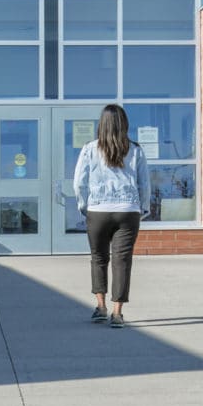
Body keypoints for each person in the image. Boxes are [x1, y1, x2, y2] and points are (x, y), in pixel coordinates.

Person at [73, 103, 150, 328]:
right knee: (122, 261)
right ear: (124, 124)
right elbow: (144, 184)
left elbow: (79, 183)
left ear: (102, 125)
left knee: (98, 257)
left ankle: (100, 307)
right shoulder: (136, 149)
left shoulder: (89, 148)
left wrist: (84, 206)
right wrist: (142, 208)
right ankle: (117, 313)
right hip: (128, 211)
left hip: (98, 211)